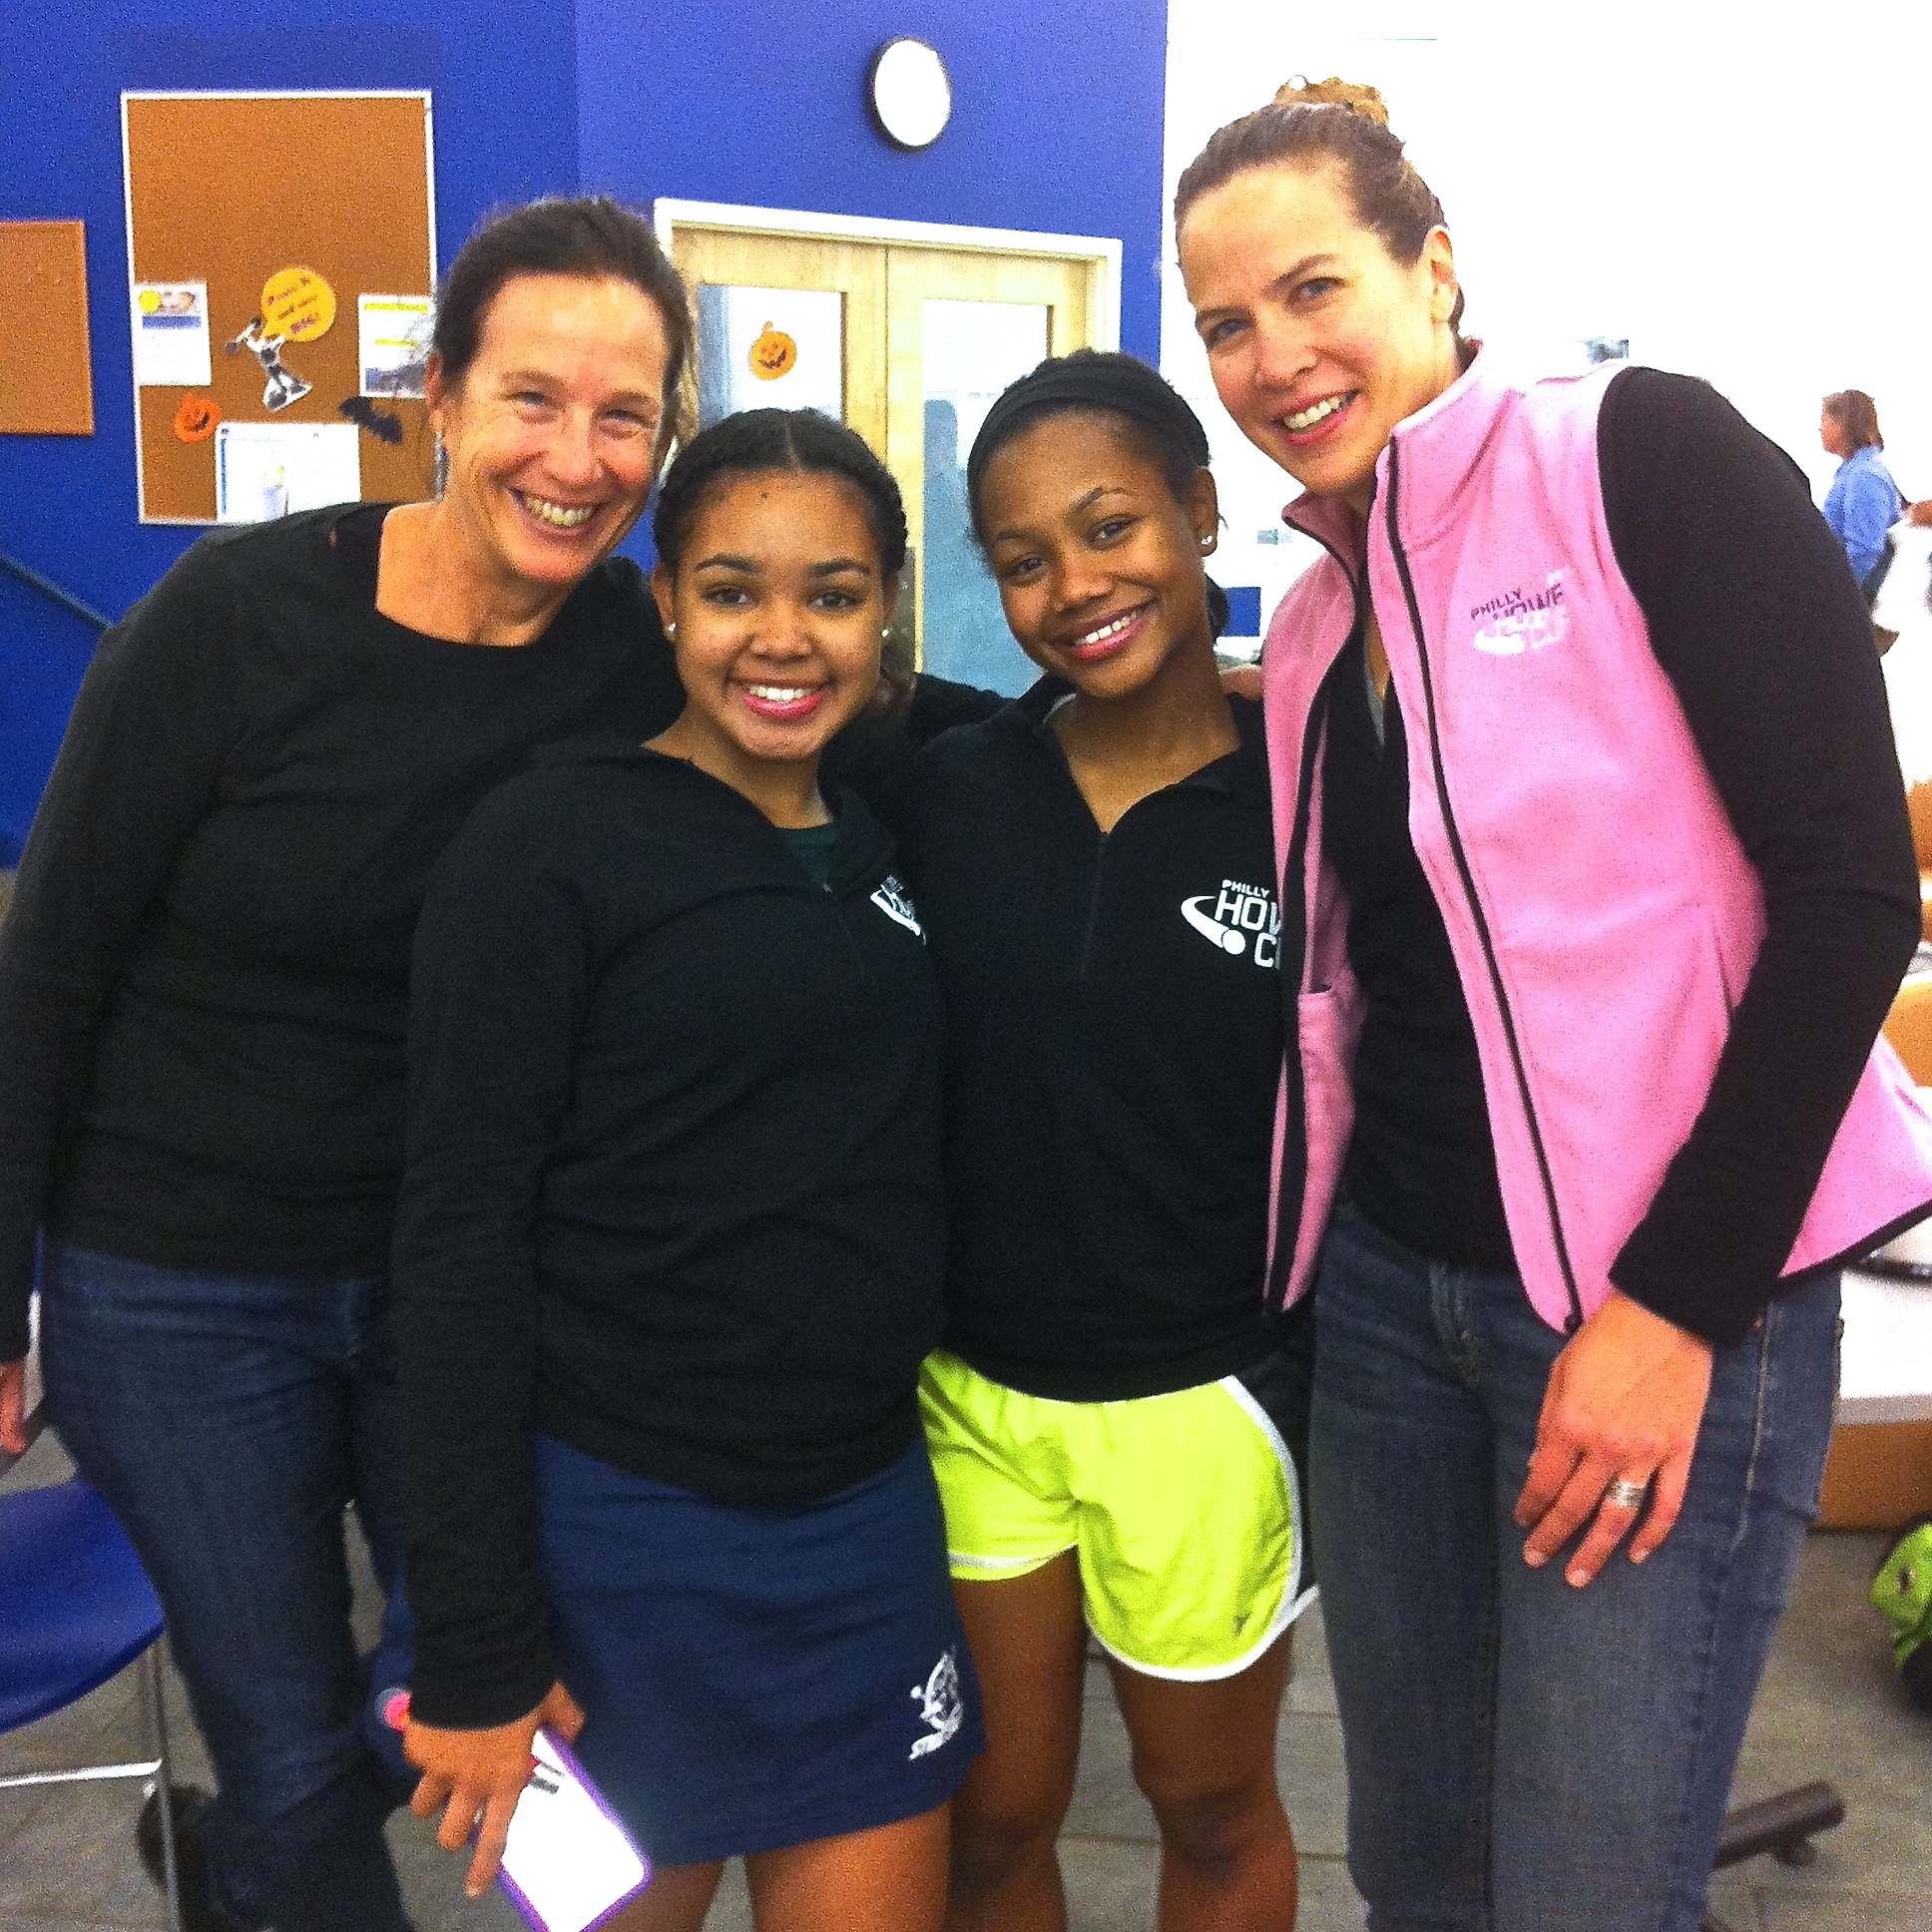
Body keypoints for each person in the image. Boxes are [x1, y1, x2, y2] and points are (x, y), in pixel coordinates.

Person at [1174, 84, 1932, 1932]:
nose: (1274, 357)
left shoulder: (1637, 458)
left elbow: (1852, 893)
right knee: (1420, 1871)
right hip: (1391, 1311)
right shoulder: (1315, 625)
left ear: (1435, 269)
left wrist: (1672, 1307)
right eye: (1225, 323)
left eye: (1314, 288)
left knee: (1587, 1889)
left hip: (1659, 1304)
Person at [0, 196, 695, 1932]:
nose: (577, 458)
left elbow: (824, 719)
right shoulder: (235, 620)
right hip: (175, 1288)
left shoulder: (630, 659)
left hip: (454, 1283)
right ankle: (271, 1847)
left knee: (466, 1681)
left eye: (624, 417)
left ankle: (240, 1868)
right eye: (532, 398)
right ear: (439, 398)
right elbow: (50, 954)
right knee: (297, 1745)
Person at [392, 407, 981, 1931]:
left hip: (862, 1523)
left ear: (886, 609)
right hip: (612, 1530)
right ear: (662, 599)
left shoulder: (887, 829)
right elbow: (456, 1241)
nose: (781, 638)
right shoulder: (546, 843)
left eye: (833, 595)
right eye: (731, 590)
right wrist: (474, 1636)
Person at [893, 350, 1312, 1932]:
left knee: (1208, 1806)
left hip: (1205, 1397)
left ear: (1199, 510)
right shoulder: (949, 789)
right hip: (976, 1393)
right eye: (1022, 560)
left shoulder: (1317, 798)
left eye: (1110, 527)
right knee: (993, 1815)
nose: (1074, 587)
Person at [1820, 388, 1904, 594]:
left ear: (1842, 424)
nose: (1820, 428)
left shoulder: (1865, 476)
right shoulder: (1853, 472)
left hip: (1850, 596)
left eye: (1824, 421)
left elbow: (1865, 551)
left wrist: (1837, 596)